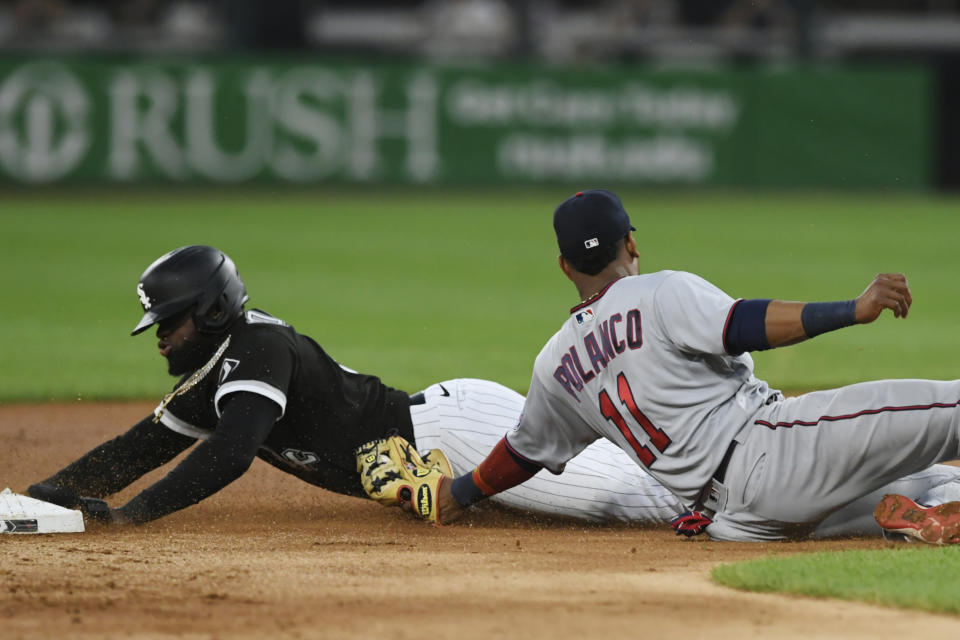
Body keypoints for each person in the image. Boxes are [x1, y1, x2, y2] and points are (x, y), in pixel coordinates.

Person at [433, 189, 960, 544]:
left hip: (736, 519)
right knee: (950, 409)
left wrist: (456, 495)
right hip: (773, 452)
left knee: (924, 480)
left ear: (565, 266)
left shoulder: (555, 366)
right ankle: (926, 506)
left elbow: (521, 453)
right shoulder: (657, 291)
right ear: (631, 243)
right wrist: (852, 310)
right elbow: (742, 325)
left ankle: (922, 517)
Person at [25, 245, 687, 526]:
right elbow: (137, 450)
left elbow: (231, 453)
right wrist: (46, 497)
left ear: (213, 312)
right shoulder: (215, 372)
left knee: (626, 500)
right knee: (611, 476)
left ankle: (764, 495)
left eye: (170, 322)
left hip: (455, 433)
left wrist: (131, 517)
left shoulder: (257, 347)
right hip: (435, 449)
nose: (162, 337)